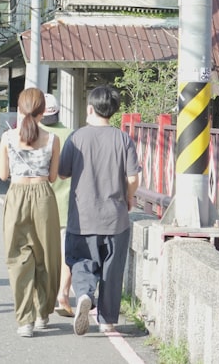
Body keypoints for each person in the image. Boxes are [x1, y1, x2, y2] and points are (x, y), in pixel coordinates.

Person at [58, 84, 141, 336]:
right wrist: (128, 197)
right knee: (111, 271)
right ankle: (107, 321)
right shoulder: (122, 138)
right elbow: (133, 177)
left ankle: (83, 294)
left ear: (90, 108)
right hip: (115, 218)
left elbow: (62, 172)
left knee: (80, 261)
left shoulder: (76, 137)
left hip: (82, 218)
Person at [0, 88, 61, 337]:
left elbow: (3, 175)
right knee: (46, 256)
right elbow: (54, 176)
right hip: (43, 196)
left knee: (18, 257)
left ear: (19, 107)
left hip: (16, 196)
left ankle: (25, 320)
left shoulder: (7, 137)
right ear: (42, 111)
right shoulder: (53, 138)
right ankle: (42, 313)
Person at [40, 93, 74, 317]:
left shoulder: (35, 136)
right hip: (68, 204)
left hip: (41, 204)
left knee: (42, 253)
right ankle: (63, 292)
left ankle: (44, 296)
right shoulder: (71, 134)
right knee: (65, 253)